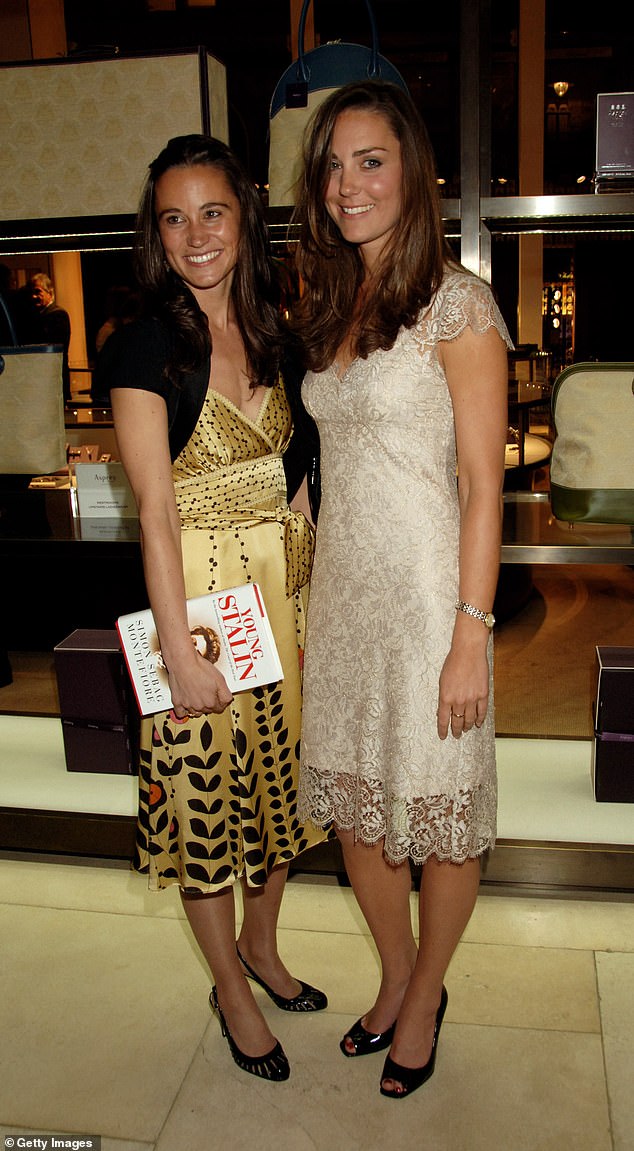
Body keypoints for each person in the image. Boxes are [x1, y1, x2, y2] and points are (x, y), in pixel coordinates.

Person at [292, 81, 512, 1099]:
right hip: (340, 599)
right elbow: (336, 448)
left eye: (368, 160)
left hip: (430, 603)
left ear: (411, 169)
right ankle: (391, 974)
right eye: (333, 166)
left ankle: (424, 995)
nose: (347, 185)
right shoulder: (332, 301)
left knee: (435, 810)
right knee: (357, 814)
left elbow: (481, 483)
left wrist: (470, 630)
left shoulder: (458, 301)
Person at [98, 134, 327, 1083]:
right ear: (157, 235)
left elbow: (302, 474)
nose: (196, 235)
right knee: (202, 813)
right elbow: (153, 515)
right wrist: (182, 657)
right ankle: (230, 990)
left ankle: (262, 947)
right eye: (174, 218)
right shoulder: (143, 345)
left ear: (245, 215)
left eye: (213, 211)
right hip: (195, 613)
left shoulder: (279, 329)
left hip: (288, 608)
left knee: (280, 806)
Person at [29, 273, 72, 402]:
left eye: (38, 292)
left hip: (54, 376)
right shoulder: (38, 315)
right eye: (32, 292)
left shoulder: (58, 315)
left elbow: (55, 347)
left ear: (50, 292)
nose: (34, 296)